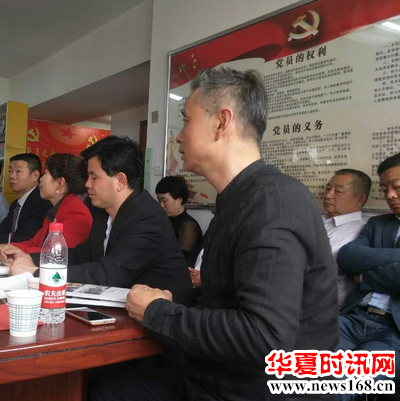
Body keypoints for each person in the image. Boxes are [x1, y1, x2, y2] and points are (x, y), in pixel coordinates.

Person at [90, 67, 339, 401]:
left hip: (259, 390)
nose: (178, 137)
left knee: (109, 390)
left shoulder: (272, 201)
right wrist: (170, 300)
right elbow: (225, 299)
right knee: (105, 381)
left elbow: (264, 337)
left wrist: (157, 312)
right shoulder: (237, 198)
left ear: (222, 122)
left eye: (186, 121)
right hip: (220, 375)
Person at [4, 136, 191, 291]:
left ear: (120, 180)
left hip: (164, 314)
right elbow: (81, 255)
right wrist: (29, 258)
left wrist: (37, 273)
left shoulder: (146, 217)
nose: (87, 184)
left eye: (94, 177)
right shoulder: (104, 213)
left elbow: (109, 273)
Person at [336, 153, 400, 400]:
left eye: (397, 187)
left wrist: (365, 278)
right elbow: (348, 256)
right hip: (353, 318)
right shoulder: (378, 224)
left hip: (393, 333)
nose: (390, 195)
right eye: (384, 189)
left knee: (337, 386)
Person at [0, 153, 92, 257]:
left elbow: (56, 254)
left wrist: (9, 250)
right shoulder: (58, 209)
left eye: (46, 173)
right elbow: (34, 243)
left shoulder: (75, 212)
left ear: (60, 183)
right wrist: (5, 247)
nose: (41, 179)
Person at [323, 169, 370, 310]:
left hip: (321, 307)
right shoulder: (318, 219)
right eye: (328, 189)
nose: (328, 195)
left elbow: (321, 267)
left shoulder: (359, 231)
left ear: (359, 199)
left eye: (338, 191)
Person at [0, 153, 52, 245]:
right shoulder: (15, 204)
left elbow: (27, 239)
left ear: (35, 175)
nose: (12, 176)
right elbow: (2, 231)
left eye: (18, 171)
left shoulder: (42, 203)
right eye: (10, 171)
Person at [155, 175, 202, 257]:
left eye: (164, 200)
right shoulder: (161, 220)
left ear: (179, 200)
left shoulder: (189, 226)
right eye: (159, 200)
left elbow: (179, 257)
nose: (161, 205)